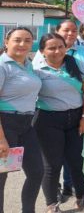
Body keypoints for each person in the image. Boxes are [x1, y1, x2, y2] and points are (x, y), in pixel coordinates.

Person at [35, 33, 84, 212]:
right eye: (51, 48)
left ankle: (82, 198)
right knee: (52, 165)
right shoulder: (36, 68)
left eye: (60, 47)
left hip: (77, 119)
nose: (57, 51)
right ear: (42, 51)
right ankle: (51, 204)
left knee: (77, 161)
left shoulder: (75, 63)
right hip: (48, 121)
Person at [0, 28, 44, 212]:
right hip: (6, 124)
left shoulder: (28, 64)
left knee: (36, 172)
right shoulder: (2, 65)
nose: (22, 44)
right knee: (1, 177)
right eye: (17, 40)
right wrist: (1, 138)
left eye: (27, 40)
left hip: (26, 124)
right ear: (6, 41)